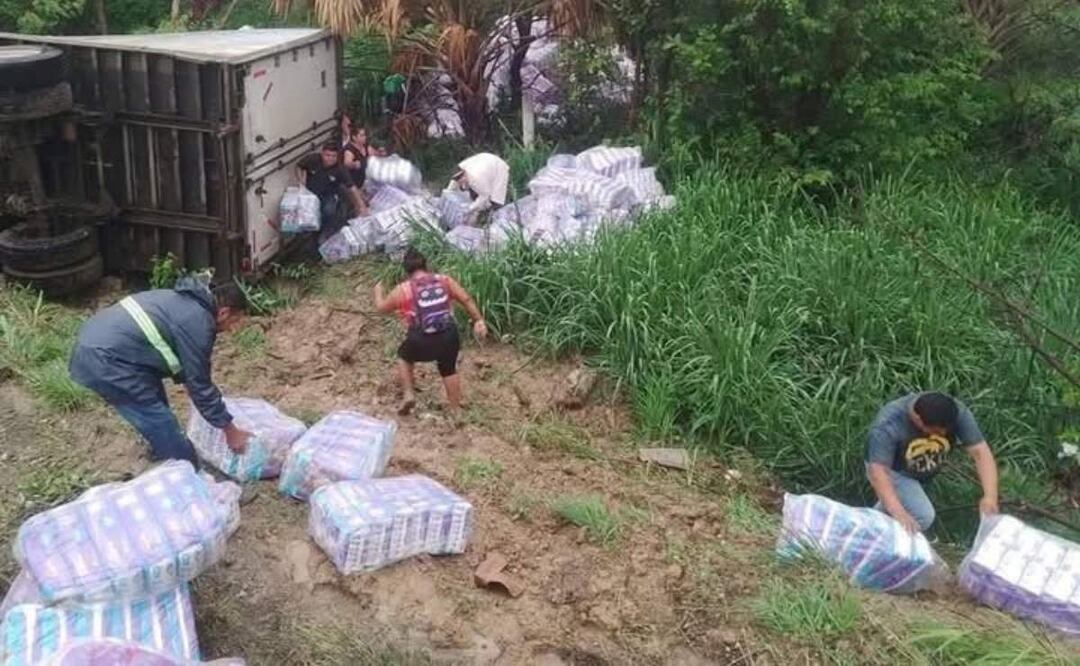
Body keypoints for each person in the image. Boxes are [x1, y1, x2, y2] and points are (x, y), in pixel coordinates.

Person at [68, 275, 253, 468]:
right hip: (106, 361)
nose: (233, 329)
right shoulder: (199, 323)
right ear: (223, 312)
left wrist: (193, 387)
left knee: (156, 405)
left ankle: (161, 453)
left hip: (107, 346)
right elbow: (200, 384)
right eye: (235, 321)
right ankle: (190, 476)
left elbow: (184, 366)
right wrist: (231, 431)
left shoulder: (184, 301)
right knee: (160, 421)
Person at [373, 247, 488, 417]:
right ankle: (456, 412)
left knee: (404, 357)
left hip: (421, 339)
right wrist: (479, 320)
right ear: (426, 266)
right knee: (449, 369)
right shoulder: (444, 280)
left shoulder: (403, 289)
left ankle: (409, 394)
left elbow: (381, 309)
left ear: (407, 271)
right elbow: (466, 299)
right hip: (449, 335)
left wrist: (377, 292)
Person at [865, 391, 999, 533]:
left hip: (918, 472)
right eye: (935, 432)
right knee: (921, 515)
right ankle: (882, 547)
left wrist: (990, 497)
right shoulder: (888, 425)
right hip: (889, 469)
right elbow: (878, 472)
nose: (942, 435)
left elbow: (980, 452)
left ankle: (863, 531)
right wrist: (899, 513)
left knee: (891, 510)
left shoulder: (955, 412)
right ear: (917, 419)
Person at [295, 141, 367, 242]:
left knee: (328, 211)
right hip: (310, 194)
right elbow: (299, 166)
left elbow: (352, 187)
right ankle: (306, 234)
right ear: (322, 153)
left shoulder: (340, 169)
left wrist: (361, 205)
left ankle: (322, 232)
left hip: (328, 194)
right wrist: (300, 181)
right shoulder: (313, 159)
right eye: (327, 155)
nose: (330, 159)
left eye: (334, 156)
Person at [446, 152, 510, 226]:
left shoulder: (476, 178)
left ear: (465, 173)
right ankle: (480, 212)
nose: (461, 179)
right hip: (484, 162)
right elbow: (453, 184)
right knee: (475, 194)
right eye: (459, 179)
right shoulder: (462, 166)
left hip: (498, 167)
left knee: (496, 200)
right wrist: (448, 192)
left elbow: (485, 195)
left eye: (462, 177)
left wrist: (470, 208)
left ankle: (493, 222)